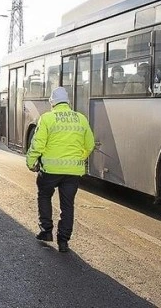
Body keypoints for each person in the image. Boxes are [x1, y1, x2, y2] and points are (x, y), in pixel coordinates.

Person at [26, 87, 95, 253]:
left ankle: (46, 231)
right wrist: (79, 157)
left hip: (50, 170)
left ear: (52, 102)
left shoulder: (47, 118)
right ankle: (63, 242)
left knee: (44, 196)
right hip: (72, 172)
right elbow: (90, 145)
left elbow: (38, 144)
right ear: (68, 102)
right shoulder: (81, 119)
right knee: (67, 205)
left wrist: (30, 162)